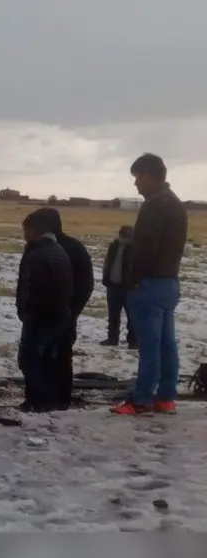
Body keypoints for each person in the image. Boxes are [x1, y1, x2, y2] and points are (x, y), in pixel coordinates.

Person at [112, 154, 187, 416]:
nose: (136, 184)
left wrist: (134, 280)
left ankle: (141, 400)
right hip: (169, 282)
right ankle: (165, 399)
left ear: (149, 176)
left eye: (138, 178)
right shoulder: (175, 203)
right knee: (167, 345)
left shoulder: (155, 206)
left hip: (149, 284)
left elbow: (146, 248)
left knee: (150, 347)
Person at [33, 207, 94, 409]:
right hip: (47, 314)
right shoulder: (45, 246)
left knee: (58, 356)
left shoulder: (69, 248)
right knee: (49, 356)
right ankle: (50, 398)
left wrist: (72, 311)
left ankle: (57, 399)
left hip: (61, 315)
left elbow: (86, 284)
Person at [16, 210, 74, 413]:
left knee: (31, 360)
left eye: (26, 230)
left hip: (41, 318)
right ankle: (45, 400)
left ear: (35, 230)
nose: (24, 235)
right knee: (47, 360)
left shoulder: (38, 254)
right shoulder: (58, 251)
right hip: (57, 316)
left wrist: (28, 312)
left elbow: (35, 289)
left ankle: (38, 401)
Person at [101, 225, 137, 348]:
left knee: (132, 317)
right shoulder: (114, 246)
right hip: (113, 286)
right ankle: (112, 338)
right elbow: (107, 262)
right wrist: (105, 278)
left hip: (129, 288)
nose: (124, 238)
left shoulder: (135, 249)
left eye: (127, 236)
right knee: (113, 316)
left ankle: (133, 341)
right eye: (122, 235)